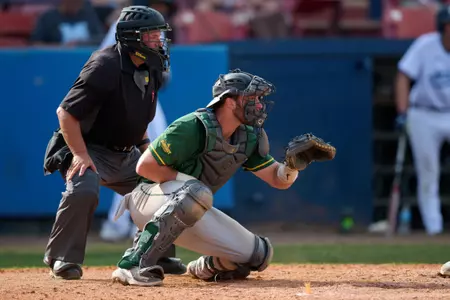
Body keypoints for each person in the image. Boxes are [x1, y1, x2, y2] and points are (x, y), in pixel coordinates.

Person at [109, 69, 336, 286]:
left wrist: (293, 166)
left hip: (192, 207)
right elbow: (145, 166)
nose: (258, 104)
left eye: (259, 99)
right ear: (229, 101)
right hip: (147, 200)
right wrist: (191, 186)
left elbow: (278, 180)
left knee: (259, 254)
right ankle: (133, 264)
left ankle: (203, 267)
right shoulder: (193, 126)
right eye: (252, 98)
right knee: (196, 193)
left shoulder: (248, 136)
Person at [42, 5, 186, 280]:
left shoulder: (152, 66)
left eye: (159, 34)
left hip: (126, 151)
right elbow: (66, 113)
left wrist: (149, 153)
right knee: (84, 187)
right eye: (152, 35)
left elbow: (139, 117)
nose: (159, 40)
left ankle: (156, 254)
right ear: (133, 38)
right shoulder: (104, 64)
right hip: (87, 146)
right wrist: (81, 155)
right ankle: (62, 258)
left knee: (166, 187)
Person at [97, 4, 170, 243]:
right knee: (136, 161)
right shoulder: (128, 24)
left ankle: (134, 222)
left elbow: (164, 75)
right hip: (126, 95)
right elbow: (104, 61)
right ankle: (119, 223)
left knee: (150, 160)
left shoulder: (155, 29)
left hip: (147, 95)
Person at [395, 4, 450, 236]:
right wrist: (402, 111)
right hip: (424, 113)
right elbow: (403, 76)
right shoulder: (426, 45)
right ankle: (434, 229)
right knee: (428, 173)